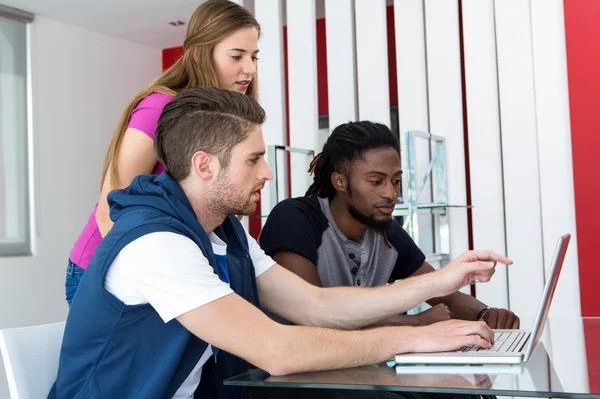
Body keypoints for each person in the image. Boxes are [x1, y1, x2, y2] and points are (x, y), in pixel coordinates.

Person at [50, 87, 511, 399]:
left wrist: (444, 279)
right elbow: (278, 350)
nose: (267, 174)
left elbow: (315, 306)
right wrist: (414, 338)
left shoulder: (223, 230)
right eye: (253, 160)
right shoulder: (154, 242)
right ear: (205, 165)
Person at [65, 0, 261, 305]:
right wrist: (152, 273)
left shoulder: (216, 119)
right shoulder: (159, 108)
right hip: (103, 270)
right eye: (237, 56)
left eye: (253, 57)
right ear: (199, 54)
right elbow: (111, 207)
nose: (249, 69)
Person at [259, 121, 520, 329]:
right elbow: (314, 316)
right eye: (376, 181)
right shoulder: (294, 219)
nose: (390, 193)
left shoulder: (386, 232)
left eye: (396, 181)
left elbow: (442, 291)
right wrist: (414, 323)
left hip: (356, 371)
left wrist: (485, 314)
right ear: (339, 182)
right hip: (291, 380)